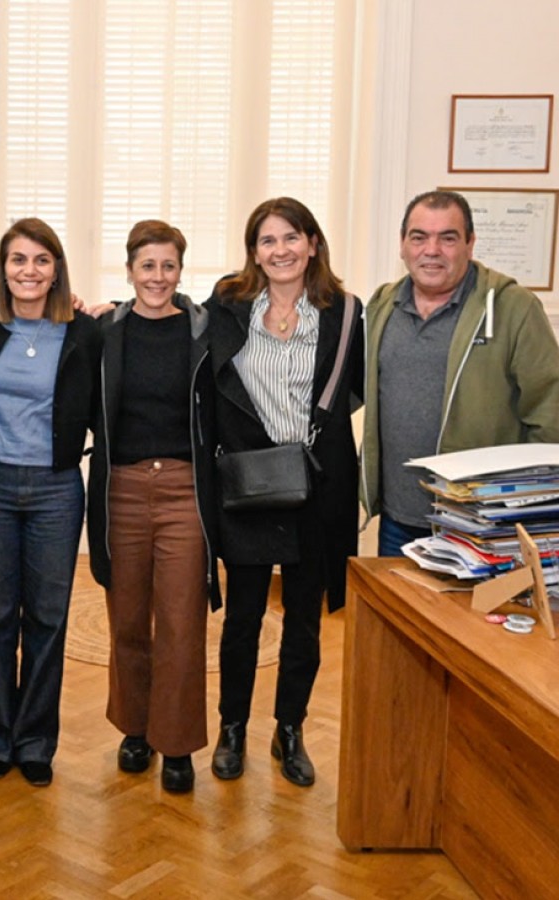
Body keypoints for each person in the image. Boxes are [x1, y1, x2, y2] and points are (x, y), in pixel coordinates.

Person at [203, 198, 364, 787]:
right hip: (249, 484)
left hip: (317, 486)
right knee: (242, 617)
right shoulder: (227, 304)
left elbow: (355, 389)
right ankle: (232, 729)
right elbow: (174, 330)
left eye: (291, 237)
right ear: (254, 252)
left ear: (313, 243)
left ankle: (289, 729)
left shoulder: (345, 311)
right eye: (266, 241)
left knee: (304, 619)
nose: (280, 251)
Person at [0, 218, 100, 787]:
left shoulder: (85, 332)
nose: (29, 271)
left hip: (56, 491)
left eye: (41, 260)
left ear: (57, 270)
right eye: (18, 260)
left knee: (48, 617)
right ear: (3, 268)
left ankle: (36, 742)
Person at [362, 190, 559, 556]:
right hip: (399, 519)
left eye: (448, 238)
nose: (432, 250)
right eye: (419, 237)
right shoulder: (383, 305)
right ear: (402, 245)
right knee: (397, 612)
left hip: (480, 521)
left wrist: (524, 504)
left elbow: (549, 418)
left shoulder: (513, 308)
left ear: (470, 244)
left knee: (468, 616)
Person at [87, 219, 219, 794]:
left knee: (182, 622)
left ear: (181, 272)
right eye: (148, 266)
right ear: (130, 270)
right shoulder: (104, 332)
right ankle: (135, 728)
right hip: (121, 488)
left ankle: (177, 741)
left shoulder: (203, 332)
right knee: (128, 619)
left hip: (185, 492)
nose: (158, 277)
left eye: (168, 266)